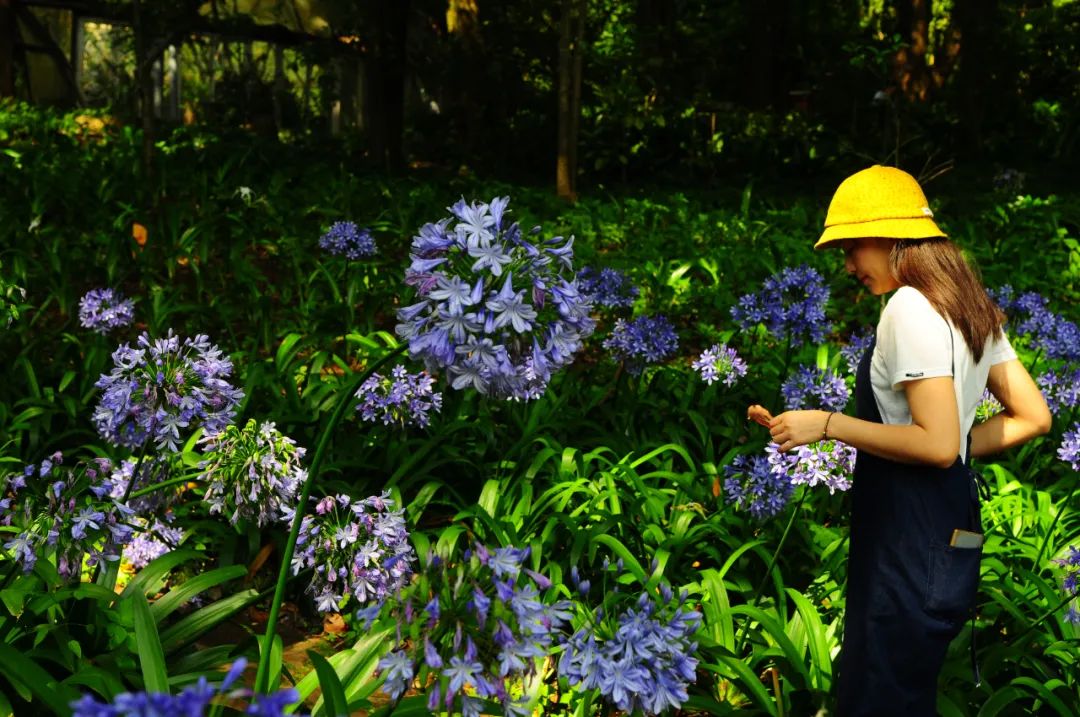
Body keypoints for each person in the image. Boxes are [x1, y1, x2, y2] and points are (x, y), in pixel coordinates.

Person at [764, 166, 1052, 716]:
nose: (848, 265)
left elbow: (936, 445)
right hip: (949, 534)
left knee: (878, 698)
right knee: (907, 694)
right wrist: (957, 442)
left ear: (892, 237)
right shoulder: (967, 302)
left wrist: (826, 424)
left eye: (853, 247)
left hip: (906, 540)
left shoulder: (909, 307)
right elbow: (1033, 417)